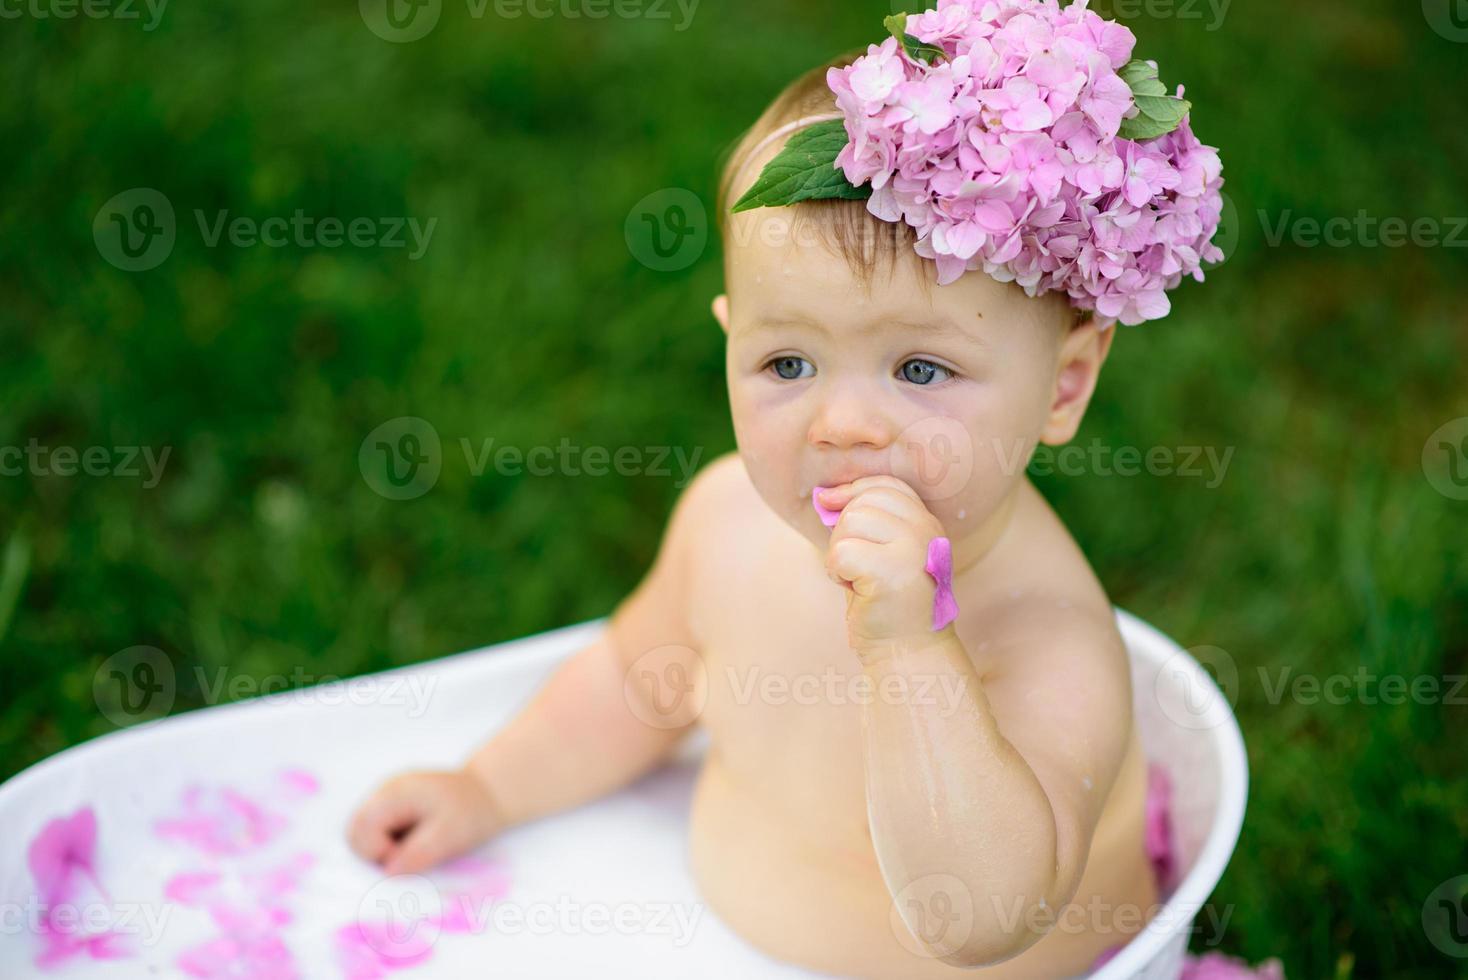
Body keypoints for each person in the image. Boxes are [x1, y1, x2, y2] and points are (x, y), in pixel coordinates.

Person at [348, 2, 1228, 975]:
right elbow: (635, 682)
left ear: (1063, 385)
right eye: (786, 364)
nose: (840, 424)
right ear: (729, 336)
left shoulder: (1049, 637)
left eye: (922, 371)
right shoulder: (727, 517)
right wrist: (486, 788)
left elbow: (982, 916)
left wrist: (911, 643)